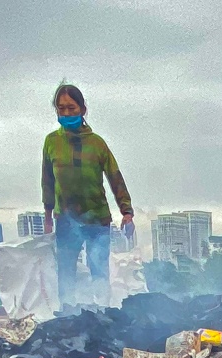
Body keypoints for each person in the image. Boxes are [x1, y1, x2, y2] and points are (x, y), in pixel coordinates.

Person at [41, 83, 133, 309]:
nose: (66, 113)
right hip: (65, 219)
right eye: (61, 108)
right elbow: (47, 180)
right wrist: (47, 214)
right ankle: (67, 311)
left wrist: (126, 211)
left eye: (71, 108)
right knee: (66, 268)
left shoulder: (97, 143)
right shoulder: (52, 142)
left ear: (83, 109)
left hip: (96, 218)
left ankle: (102, 310)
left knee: (98, 267)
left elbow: (115, 176)